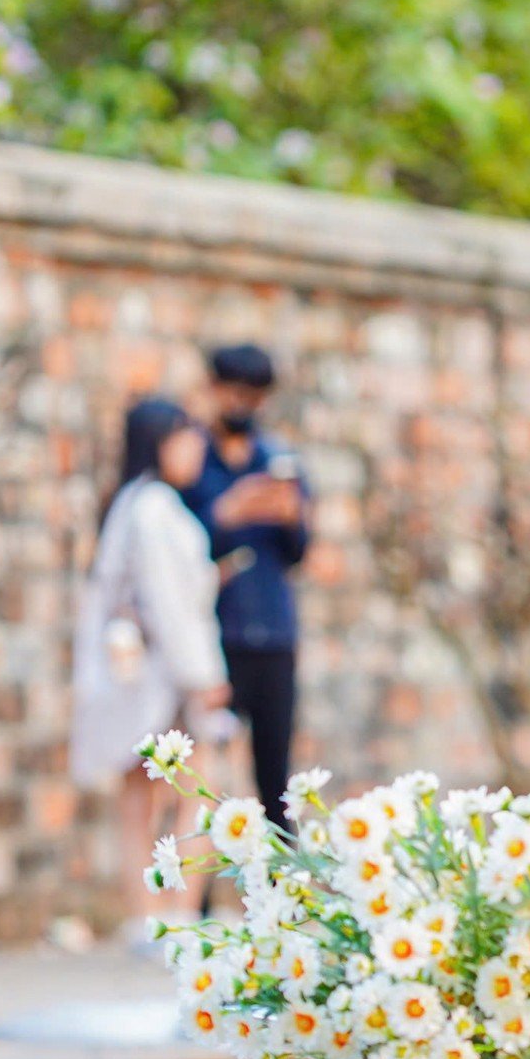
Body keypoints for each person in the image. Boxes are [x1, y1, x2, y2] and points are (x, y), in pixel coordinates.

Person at [69, 398, 230, 930]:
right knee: (197, 792)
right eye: (187, 437)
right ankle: (178, 915)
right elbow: (170, 606)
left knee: (138, 798)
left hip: (137, 679)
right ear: (160, 443)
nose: (198, 448)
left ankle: (149, 918)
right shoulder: (156, 510)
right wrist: (205, 677)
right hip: (166, 680)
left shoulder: (129, 505)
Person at [180, 343, 311, 837]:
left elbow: (298, 551)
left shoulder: (278, 459)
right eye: (234, 391)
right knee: (207, 776)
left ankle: (289, 900)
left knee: (275, 777)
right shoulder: (193, 462)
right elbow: (179, 546)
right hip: (215, 633)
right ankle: (200, 902)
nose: (242, 404)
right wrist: (227, 513)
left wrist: (291, 515)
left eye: (253, 394)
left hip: (273, 632)